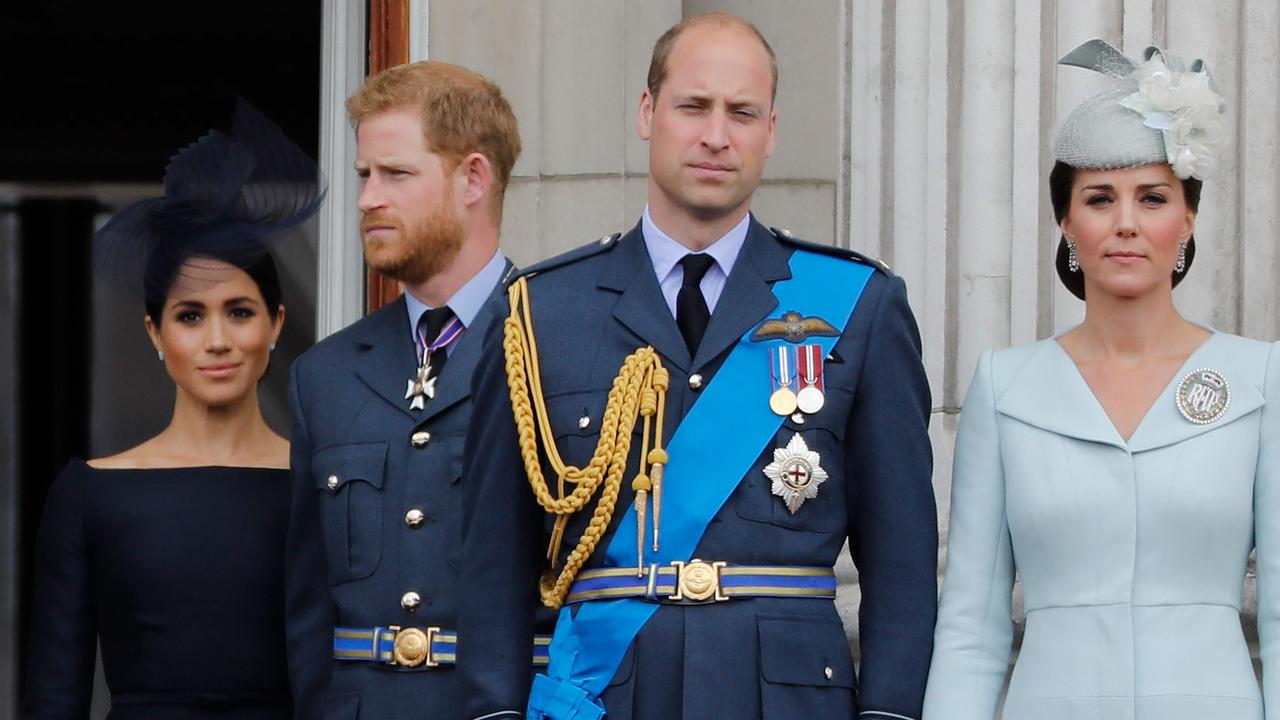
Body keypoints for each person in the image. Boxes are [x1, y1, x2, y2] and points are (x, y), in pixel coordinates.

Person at [458, 13, 937, 720]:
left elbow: (901, 564)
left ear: (770, 130)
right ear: (648, 113)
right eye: (694, 106)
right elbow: (493, 566)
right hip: (605, 696)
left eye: (742, 112)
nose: (717, 135)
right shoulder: (540, 313)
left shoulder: (857, 307)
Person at [922, 40, 1275, 719]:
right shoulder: (1007, 385)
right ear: (1066, 221)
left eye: (1152, 198)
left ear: (1188, 218)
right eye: (1099, 199)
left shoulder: (1260, 378)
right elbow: (972, 626)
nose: (1125, 225)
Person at [23, 101, 323, 720]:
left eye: (239, 311)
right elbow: (53, 698)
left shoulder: (320, 485)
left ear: (276, 325)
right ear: (156, 333)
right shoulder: (89, 494)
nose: (217, 340)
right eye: (190, 316)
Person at [283, 61, 542, 720]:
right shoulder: (326, 375)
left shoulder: (559, 347)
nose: (369, 197)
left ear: (474, 179)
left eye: (396, 174)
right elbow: (308, 610)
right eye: (365, 174)